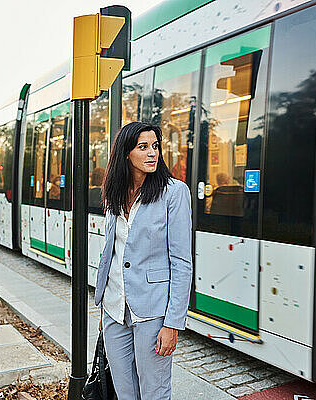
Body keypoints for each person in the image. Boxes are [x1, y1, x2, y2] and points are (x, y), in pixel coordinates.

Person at [94, 121, 193, 399]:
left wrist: (172, 323)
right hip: (115, 309)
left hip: (153, 312)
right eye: (143, 147)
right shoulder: (114, 192)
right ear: (126, 153)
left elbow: (182, 263)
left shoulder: (174, 193)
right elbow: (111, 252)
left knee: (154, 393)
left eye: (155, 146)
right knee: (125, 393)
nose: (153, 153)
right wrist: (105, 305)